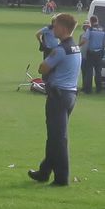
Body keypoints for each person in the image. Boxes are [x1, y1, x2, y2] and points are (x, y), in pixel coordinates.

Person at [28, 13, 81, 184]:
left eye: (56, 26)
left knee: (58, 138)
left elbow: (43, 68)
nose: (53, 28)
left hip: (58, 96)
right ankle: (44, 172)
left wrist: (45, 67)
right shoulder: (75, 47)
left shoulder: (60, 50)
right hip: (70, 94)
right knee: (55, 136)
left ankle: (61, 177)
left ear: (64, 28)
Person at [80, 16, 105, 94]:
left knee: (89, 71)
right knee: (98, 71)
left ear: (91, 21)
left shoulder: (90, 29)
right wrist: (102, 50)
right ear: (97, 21)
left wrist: (78, 45)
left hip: (91, 53)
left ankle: (88, 90)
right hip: (99, 53)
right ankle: (99, 89)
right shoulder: (103, 29)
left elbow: (84, 40)